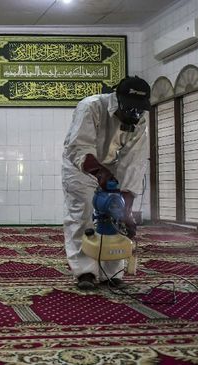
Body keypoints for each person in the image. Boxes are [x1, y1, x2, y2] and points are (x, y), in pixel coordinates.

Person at [62, 76, 150, 290]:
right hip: (81, 167)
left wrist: (126, 208)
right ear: (117, 99)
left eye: (139, 110)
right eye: (130, 109)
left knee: (115, 213)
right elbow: (79, 148)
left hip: (111, 166)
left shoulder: (140, 119)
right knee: (83, 216)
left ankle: (113, 273)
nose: (135, 114)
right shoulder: (91, 107)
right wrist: (100, 174)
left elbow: (134, 162)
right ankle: (86, 272)